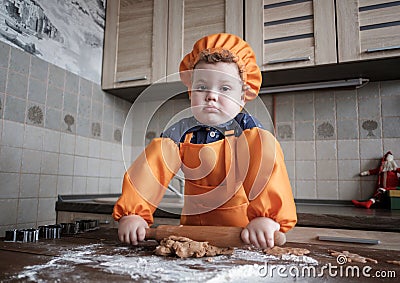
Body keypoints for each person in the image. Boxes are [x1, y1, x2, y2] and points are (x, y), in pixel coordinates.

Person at [113, 33, 297, 249]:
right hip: (190, 237)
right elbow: (151, 169)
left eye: (225, 88)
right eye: (202, 87)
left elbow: (267, 168)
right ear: (191, 92)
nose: (211, 96)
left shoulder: (250, 133)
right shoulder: (180, 133)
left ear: (242, 95)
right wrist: (133, 213)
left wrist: (266, 218)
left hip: (242, 238)